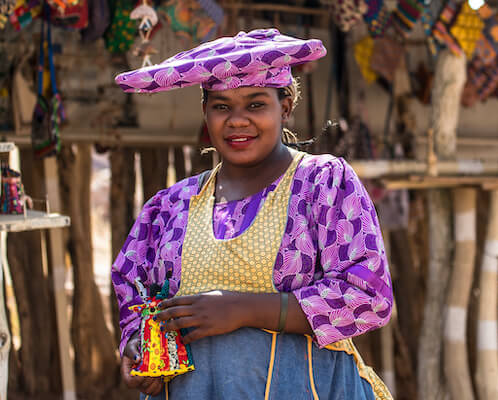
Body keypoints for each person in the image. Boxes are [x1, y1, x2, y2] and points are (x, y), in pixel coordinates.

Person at [112, 28, 394, 400]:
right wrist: (138, 349)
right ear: (205, 113)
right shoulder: (170, 208)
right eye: (222, 106)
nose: (237, 121)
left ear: (286, 106)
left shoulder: (322, 184)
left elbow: (367, 296)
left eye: (256, 104)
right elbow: (136, 297)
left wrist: (243, 309)